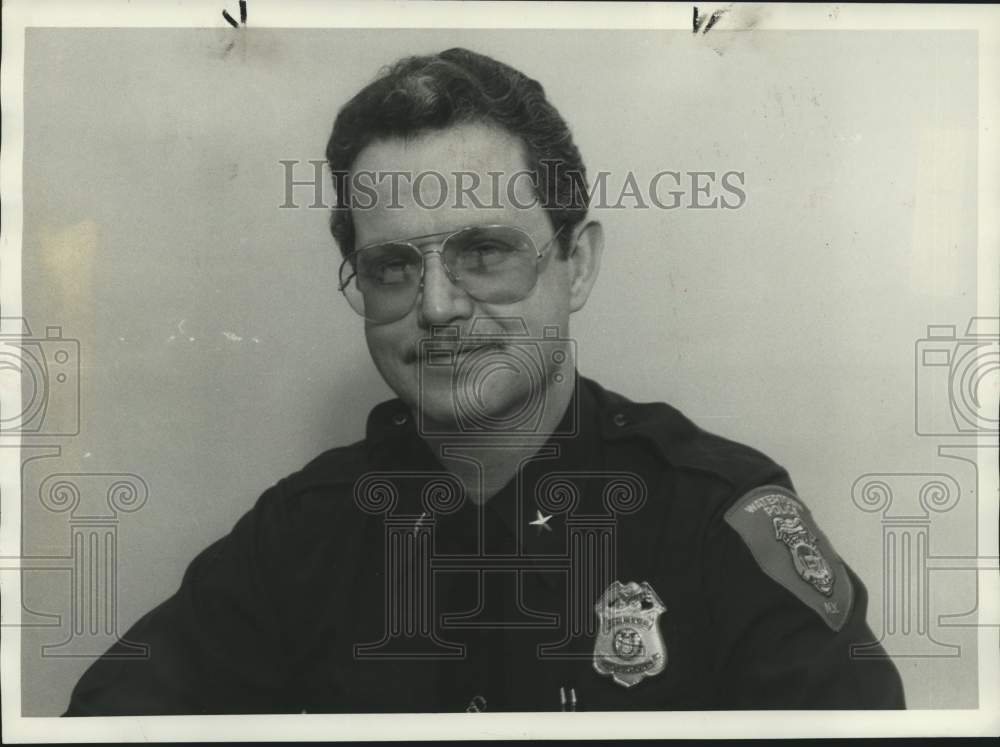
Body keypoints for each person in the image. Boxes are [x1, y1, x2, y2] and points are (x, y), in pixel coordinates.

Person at [64, 47, 904, 715]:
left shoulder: (720, 521)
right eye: (392, 266)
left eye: (484, 253)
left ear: (577, 266)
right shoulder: (300, 538)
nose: (435, 306)